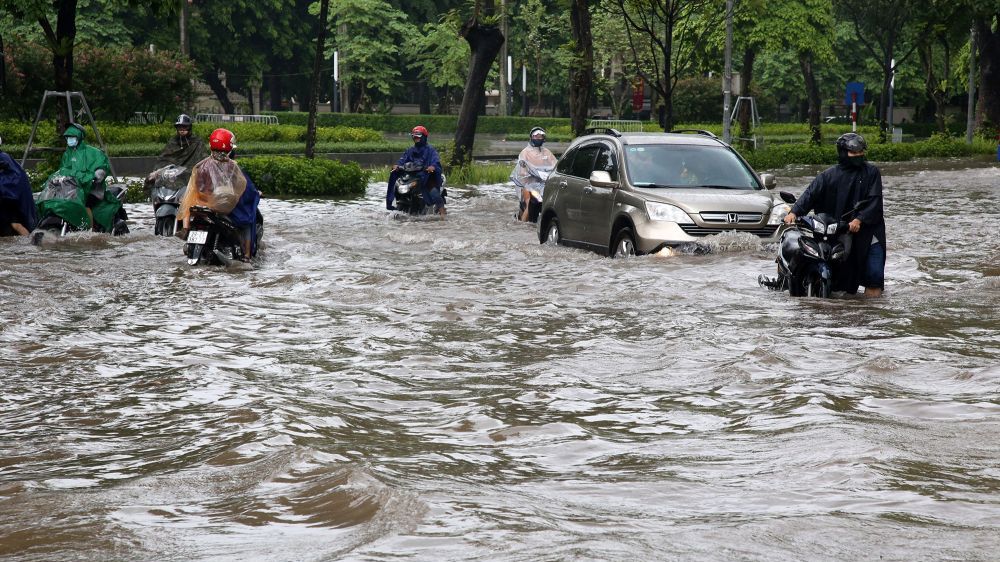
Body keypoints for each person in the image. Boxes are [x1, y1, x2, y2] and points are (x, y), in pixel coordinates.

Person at [784, 132, 886, 297]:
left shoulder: (872, 173)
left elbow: (875, 201)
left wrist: (859, 219)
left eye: (861, 152)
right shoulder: (828, 175)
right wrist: (794, 212)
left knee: (874, 275)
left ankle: (870, 316)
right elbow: (810, 194)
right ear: (843, 153)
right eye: (854, 153)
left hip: (869, 232)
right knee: (840, 279)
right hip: (839, 232)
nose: (859, 156)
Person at [176, 128, 256, 257]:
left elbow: (196, 188)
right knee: (247, 220)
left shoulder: (201, 165)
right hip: (222, 207)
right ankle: (247, 256)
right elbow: (243, 186)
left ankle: (186, 230)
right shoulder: (232, 166)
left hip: (201, 205)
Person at [38, 123, 127, 234]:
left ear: (79, 137)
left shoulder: (94, 152)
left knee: (86, 204)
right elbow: (63, 170)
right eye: (68, 137)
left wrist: (97, 175)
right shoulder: (67, 154)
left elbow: (102, 166)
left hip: (92, 189)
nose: (69, 140)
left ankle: (89, 231)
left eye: (72, 137)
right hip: (73, 188)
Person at [387, 125, 445, 217]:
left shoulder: (431, 150)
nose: (416, 138)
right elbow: (402, 160)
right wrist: (397, 166)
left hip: (427, 177)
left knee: (434, 193)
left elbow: (436, 161)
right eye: (414, 136)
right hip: (412, 177)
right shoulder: (410, 150)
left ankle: (443, 213)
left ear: (424, 137)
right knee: (397, 187)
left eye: (418, 136)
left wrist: (432, 167)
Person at [146, 114, 208, 188]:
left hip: (190, 171)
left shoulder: (197, 141)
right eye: (179, 127)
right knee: (151, 179)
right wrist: (158, 171)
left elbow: (203, 159)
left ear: (189, 127)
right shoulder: (173, 141)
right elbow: (164, 158)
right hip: (172, 171)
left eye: (185, 127)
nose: (182, 129)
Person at [510, 127, 556, 222]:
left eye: (541, 136)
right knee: (529, 204)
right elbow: (522, 167)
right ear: (531, 137)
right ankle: (522, 226)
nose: (538, 138)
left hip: (544, 183)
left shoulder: (547, 152)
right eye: (536, 136)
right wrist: (525, 174)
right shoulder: (525, 152)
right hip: (528, 184)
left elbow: (555, 164)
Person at [0, 137, 37, 236]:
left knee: (16, 224)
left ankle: (30, 243)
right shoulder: (4, 157)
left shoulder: (3, 157)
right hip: (7, 196)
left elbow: (15, 178)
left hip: (10, 198)